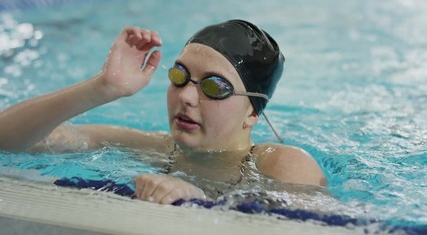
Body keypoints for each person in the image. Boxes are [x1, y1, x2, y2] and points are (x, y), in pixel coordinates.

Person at [0, 19, 326, 205]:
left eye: (213, 87)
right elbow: (7, 139)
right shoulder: (149, 149)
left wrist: (204, 205)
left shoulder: (285, 166)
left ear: (252, 113)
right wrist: (102, 87)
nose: (185, 96)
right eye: (179, 76)